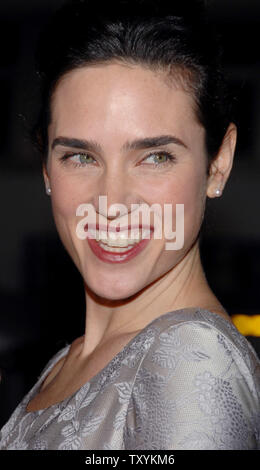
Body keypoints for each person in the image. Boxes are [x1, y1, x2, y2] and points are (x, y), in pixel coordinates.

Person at [0, 0, 259, 450]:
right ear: (45, 168)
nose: (111, 203)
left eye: (155, 157)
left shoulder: (191, 359)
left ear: (218, 164)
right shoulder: (67, 361)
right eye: (79, 156)